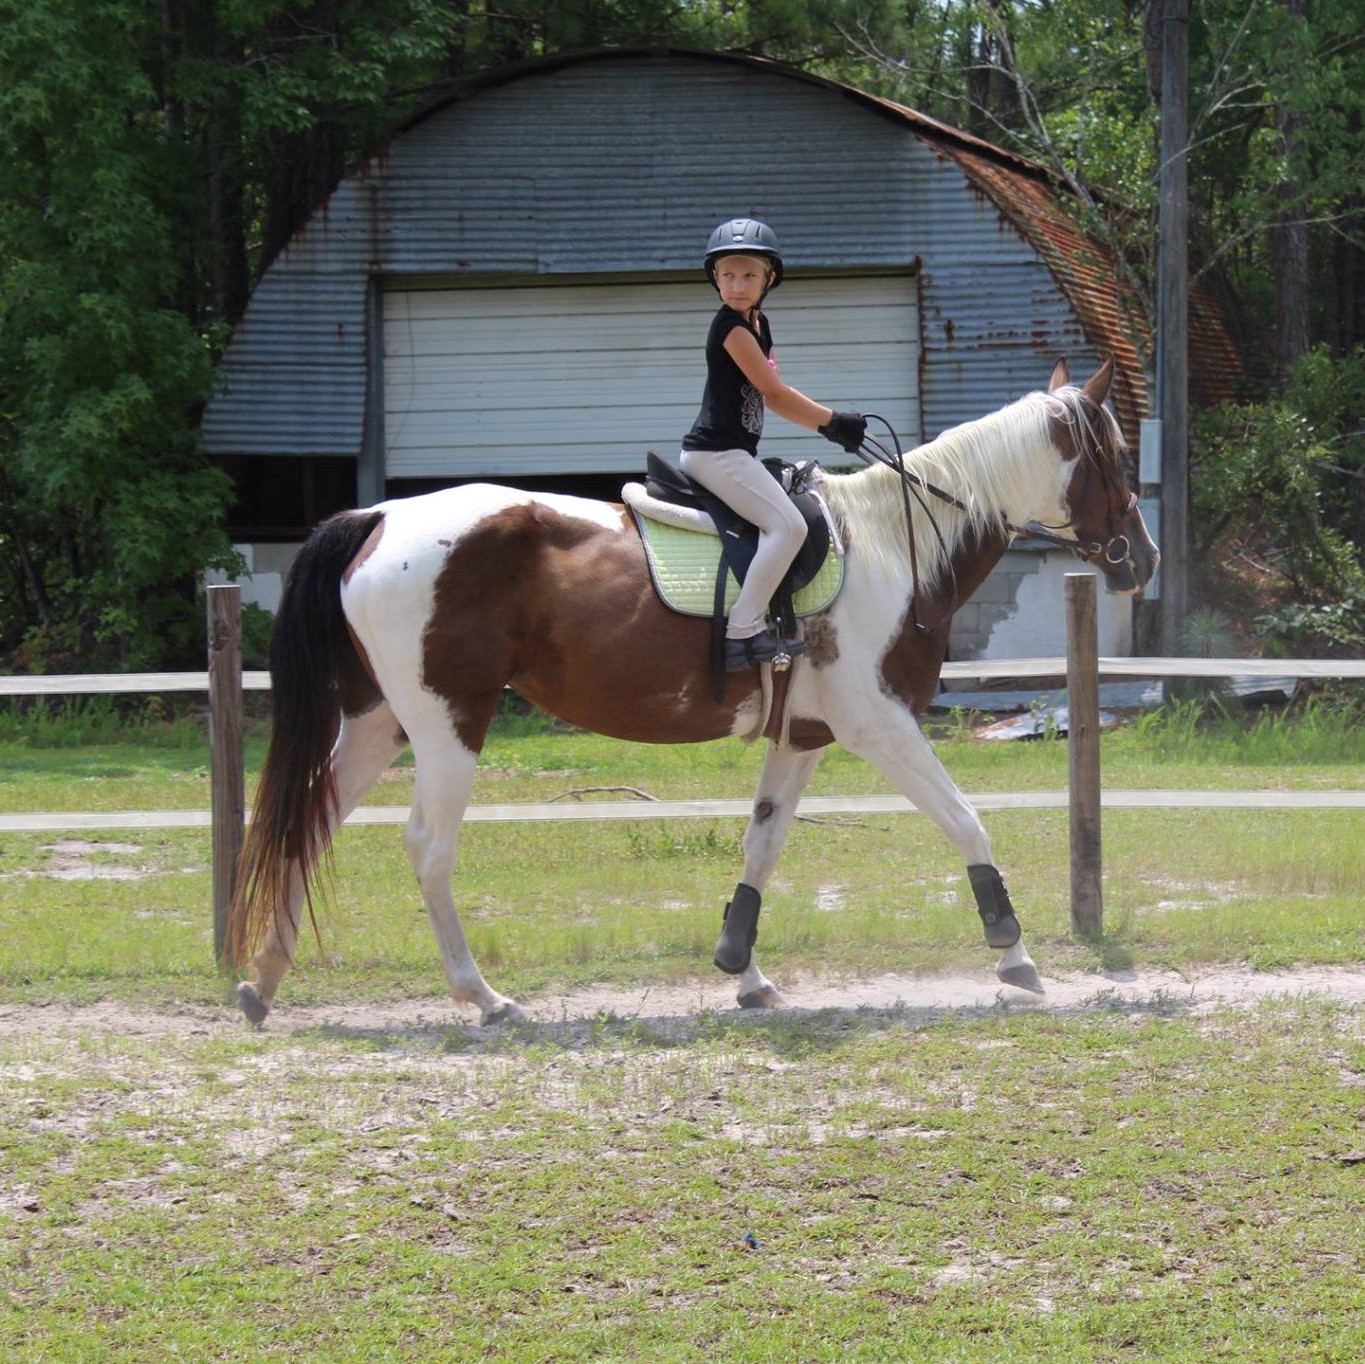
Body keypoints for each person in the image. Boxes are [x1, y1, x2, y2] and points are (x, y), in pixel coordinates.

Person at [680, 218, 866, 670]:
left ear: (770, 279)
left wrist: (830, 423)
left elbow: (774, 392)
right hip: (716, 453)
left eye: (748, 275)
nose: (737, 285)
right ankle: (742, 633)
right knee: (788, 527)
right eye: (727, 275)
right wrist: (832, 422)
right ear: (714, 279)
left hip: (735, 453)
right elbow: (777, 396)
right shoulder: (732, 330)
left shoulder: (758, 323)